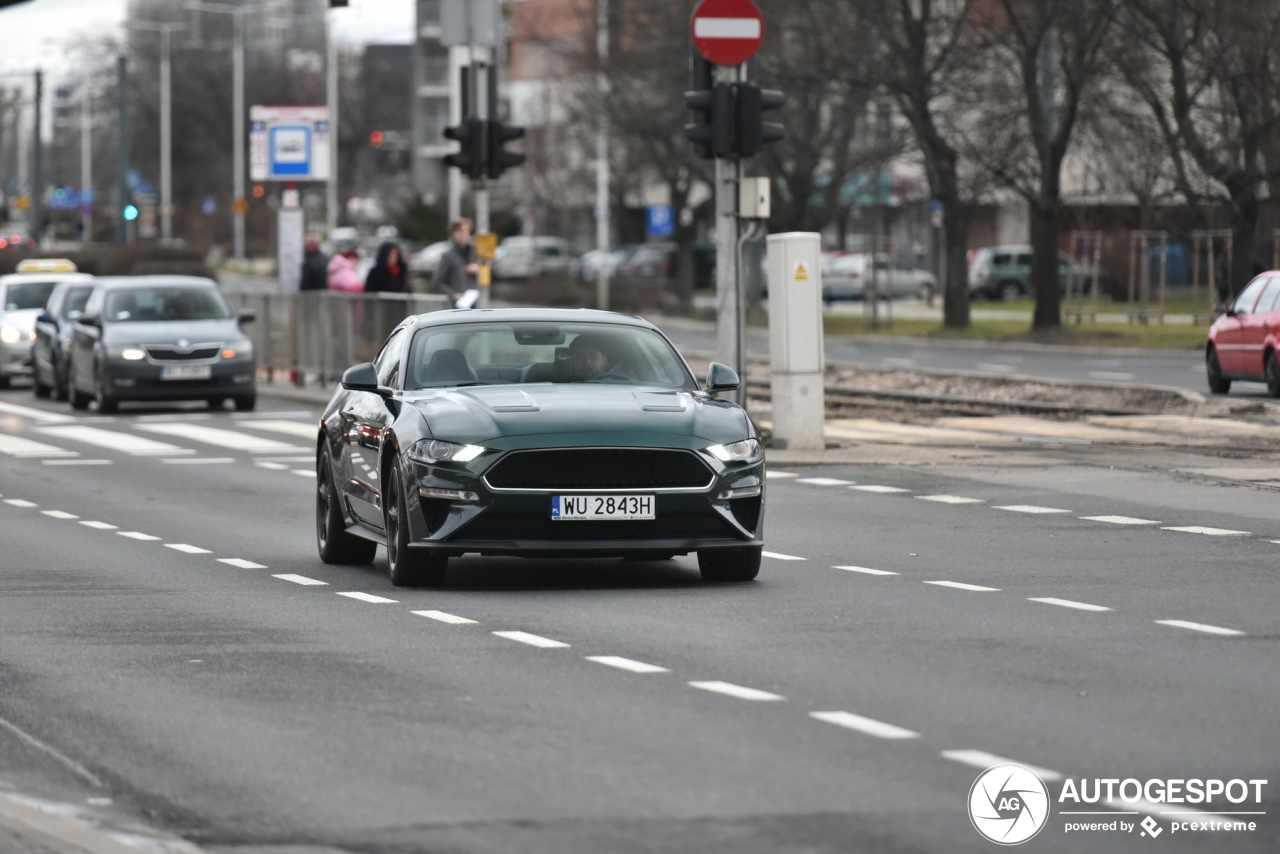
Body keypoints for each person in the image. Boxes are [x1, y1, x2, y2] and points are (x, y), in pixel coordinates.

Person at [433, 217, 479, 306]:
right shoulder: (448, 255)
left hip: (472, 303)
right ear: (454, 233)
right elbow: (438, 282)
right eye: (461, 231)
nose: (465, 234)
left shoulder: (474, 254)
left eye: (467, 231)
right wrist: (453, 295)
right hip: (454, 306)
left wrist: (479, 269)